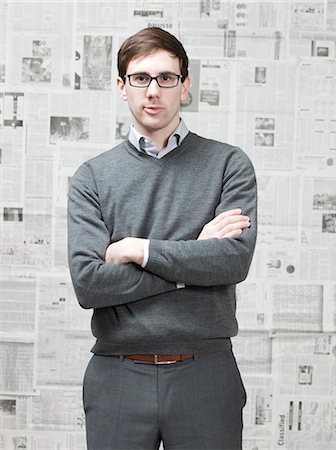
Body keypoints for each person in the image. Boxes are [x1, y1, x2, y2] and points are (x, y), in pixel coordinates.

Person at [67, 27, 257, 450]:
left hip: (205, 372)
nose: (153, 90)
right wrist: (193, 257)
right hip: (117, 374)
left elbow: (232, 261)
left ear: (185, 85)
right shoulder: (92, 178)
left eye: (166, 78)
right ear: (121, 86)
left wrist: (139, 250)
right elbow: (89, 284)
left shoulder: (229, 164)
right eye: (140, 78)